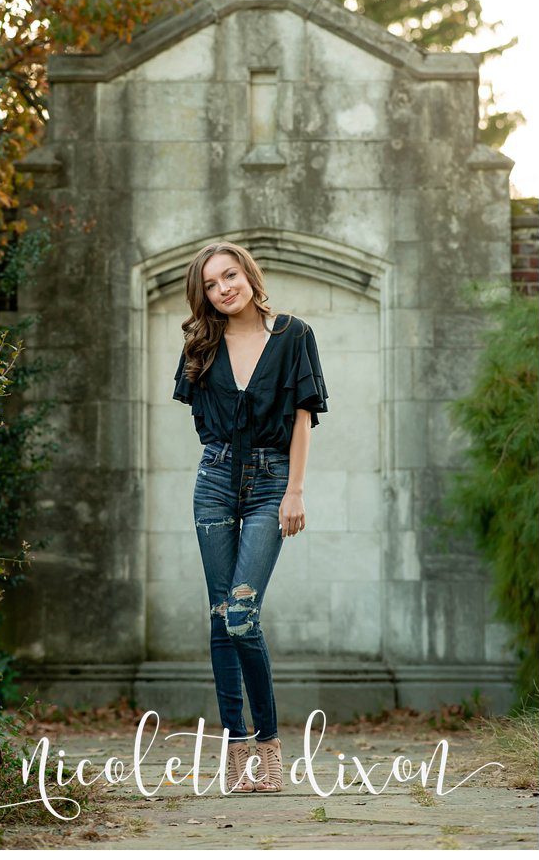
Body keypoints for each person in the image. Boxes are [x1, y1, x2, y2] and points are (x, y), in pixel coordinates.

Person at [172, 242, 327, 795]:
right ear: (204, 295)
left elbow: (303, 416)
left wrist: (295, 490)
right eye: (211, 285)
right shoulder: (202, 343)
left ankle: (268, 743)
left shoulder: (293, 335)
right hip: (213, 482)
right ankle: (237, 747)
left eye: (229, 276)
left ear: (248, 273)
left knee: (242, 613)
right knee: (220, 616)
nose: (222, 289)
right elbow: (202, 419)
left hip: (270, 486)